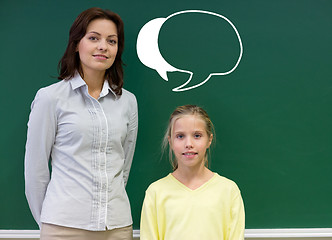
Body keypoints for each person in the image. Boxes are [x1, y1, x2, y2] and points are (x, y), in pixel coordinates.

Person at [24, 7, 138, 240]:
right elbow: (35, 170)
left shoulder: (127, 101)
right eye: (93, 38)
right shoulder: (51, 98)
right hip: (63, 227)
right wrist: (49, 221)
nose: (103, 47)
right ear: (77, 44)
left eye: (112, 41)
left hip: (116, 228)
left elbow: (123, 166)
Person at [140, 105, 245, 240]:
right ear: (170, 141)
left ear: (209, 140)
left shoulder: (229, 190)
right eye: (180, 136)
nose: (188, 143)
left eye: (197, 135)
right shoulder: (156, 192)